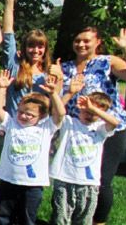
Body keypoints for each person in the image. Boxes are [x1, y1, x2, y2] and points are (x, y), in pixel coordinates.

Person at [57, 27, 126, 225]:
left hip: (108, 130)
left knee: (102, 181)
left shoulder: (107, 62)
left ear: (98, 42)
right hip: (78, 132)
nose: (81, 44)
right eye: (77, 40)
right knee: (74, 179)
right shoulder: (66, 67)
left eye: (86, 40)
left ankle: (98, 221)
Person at [0, 70, 64, 225]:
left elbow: (60, 114)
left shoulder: (47, 128)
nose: (23, 116)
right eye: (21, 112)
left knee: (27, 219)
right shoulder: (11, 123)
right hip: (8, 180)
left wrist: (54, 94)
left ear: (42, 116)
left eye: (30, 114)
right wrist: (2, 88)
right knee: (3, 217)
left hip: (33, 185)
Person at [50, 85, 120, 225]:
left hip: (89, 183)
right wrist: (61, 93)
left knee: (84, 219)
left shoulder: (100, 129)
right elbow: (58, 111)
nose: (89, 115)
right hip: (64, 179)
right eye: (86, 111)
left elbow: (115, 122)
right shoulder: (69, 123)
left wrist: (94, 108)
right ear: (80, 108)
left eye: (94, 113)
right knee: (60, 218)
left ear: (101, 114)